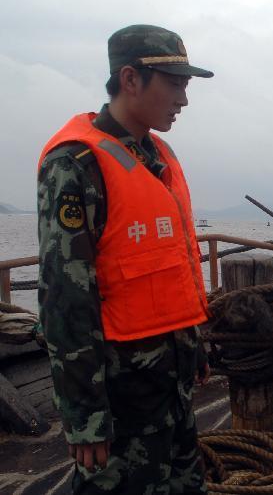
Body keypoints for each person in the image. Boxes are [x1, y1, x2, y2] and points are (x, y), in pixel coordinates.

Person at [37, 24, 214, 493]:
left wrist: (193, 345)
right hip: (121, 399)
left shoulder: (157, 154)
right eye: (175, 84)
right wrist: (84, 417)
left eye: (186, 86)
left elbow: (171, 265)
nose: (184, 100)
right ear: (131, 79)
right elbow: (64, 297)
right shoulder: (76, 165)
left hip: (170, 388)